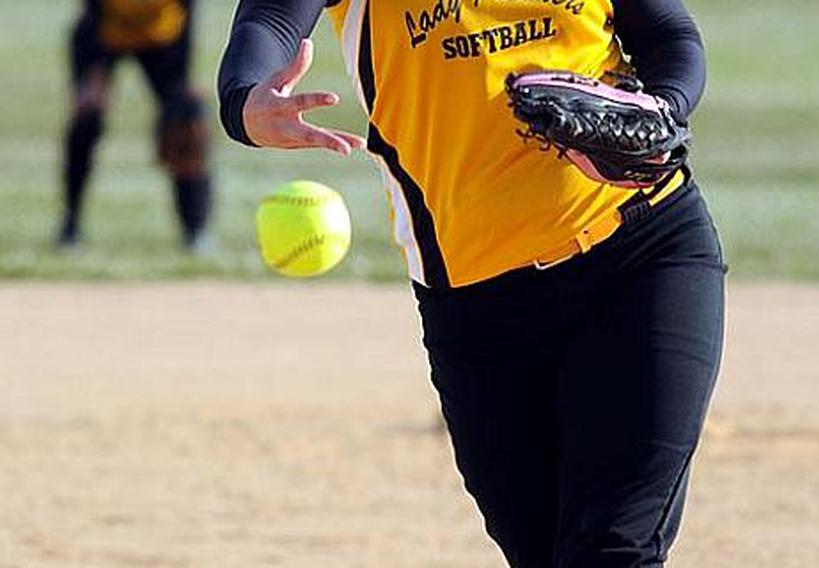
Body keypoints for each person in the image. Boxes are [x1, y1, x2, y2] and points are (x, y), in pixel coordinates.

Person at [218, 1, 725, 566]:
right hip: (477, 311)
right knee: (541, 551)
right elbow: (270, 21)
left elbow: (668, 34)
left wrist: (662, 110)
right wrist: (246, 101)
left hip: (641, 255)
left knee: (611, 548)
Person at [59, 0, 213, 250]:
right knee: (87, 116)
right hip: (103, 32)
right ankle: (70, 225)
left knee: (185, 122)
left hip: (164, 37)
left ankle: (195, 231)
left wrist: (182, 82)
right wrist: (93, 71)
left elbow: (187, 8)